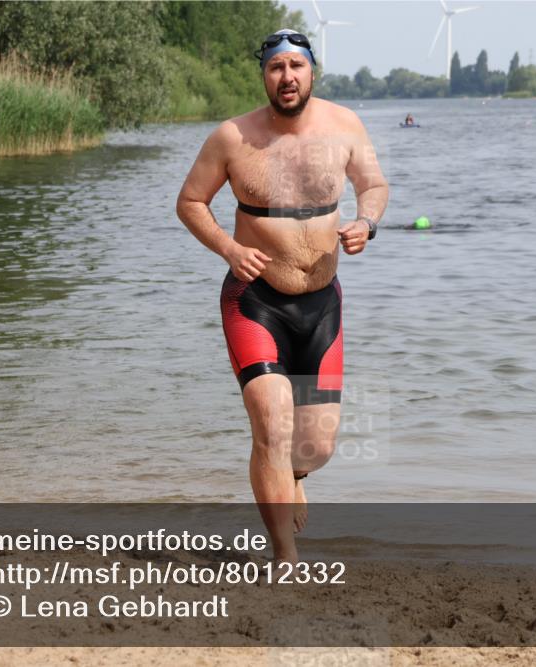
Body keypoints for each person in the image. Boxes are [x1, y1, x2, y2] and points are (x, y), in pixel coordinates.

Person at [176, 30, 388, 562]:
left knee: (315, 446)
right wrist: (228, 248)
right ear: (264, 76)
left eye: (296, 66)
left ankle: (295, 476)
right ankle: (284, 556)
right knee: (271, 421)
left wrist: (367, 222)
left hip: (321, 305)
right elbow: (190, 201)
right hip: (255, 300)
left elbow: (375, 185)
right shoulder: (232, 137)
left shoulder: (345, 126)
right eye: (276, 68)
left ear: (313, 72)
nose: (287, 77)